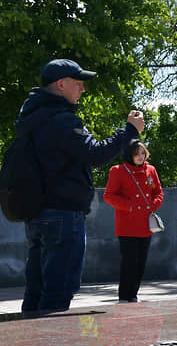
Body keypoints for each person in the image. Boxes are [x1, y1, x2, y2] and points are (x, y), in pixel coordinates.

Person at [16, 59, 144, 313]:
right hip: (63, 216)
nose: (83, 89)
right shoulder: (62, 120)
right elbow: (96, 155)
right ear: (61, 84)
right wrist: (129, 130)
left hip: (37, 214)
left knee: (36, 290)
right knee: (57, 293)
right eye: (78, 83)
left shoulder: (32, 119)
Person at [103, 139, 162, 303]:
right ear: (130, 154)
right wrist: (128, 205)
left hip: (145, 224)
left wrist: (153, 205)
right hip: (127, 225)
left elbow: (158, 193)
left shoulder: (151, 170)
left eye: (143, 153)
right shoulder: (118, 170)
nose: (140, 156)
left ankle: (134, 294)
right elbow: (108, 195)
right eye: (137, 154)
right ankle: (124, 295)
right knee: (129, 261)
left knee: (141, 262)